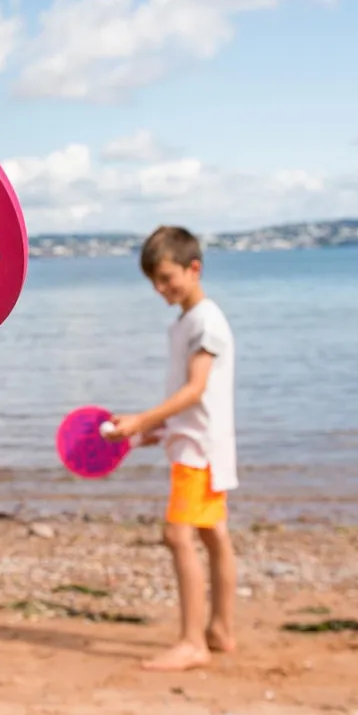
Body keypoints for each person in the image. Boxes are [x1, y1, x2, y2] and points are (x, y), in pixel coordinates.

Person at [106, 225, 238, 672]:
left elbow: (197, 389)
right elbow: (194, 398)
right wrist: (149, 433)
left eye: (166, 278)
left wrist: (144, 418)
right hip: (196, 442)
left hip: (198, 452)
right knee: (213, 535)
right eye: (154, 282)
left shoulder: (206, 320)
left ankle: (192, 642)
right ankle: (219, 629)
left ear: (193, 268)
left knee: (177, 535)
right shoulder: (186, 322)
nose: (160, 289)